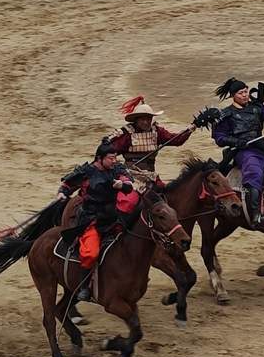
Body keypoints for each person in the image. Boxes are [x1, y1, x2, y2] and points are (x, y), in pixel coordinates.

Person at [211, 77, 264, 229]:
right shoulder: (226, 114)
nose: (245, 95)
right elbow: (220, 137)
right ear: (233, 96)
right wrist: (236, 141)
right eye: (241, 93)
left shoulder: (257, 108)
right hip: (243, 151)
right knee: (254, 172)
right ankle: (256, 214)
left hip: (261, 147)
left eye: (246, 91)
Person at [57, 142, 138, 301]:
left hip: (112, 218)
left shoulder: (117, 169)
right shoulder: (86, 171)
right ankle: (83, 286)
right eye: (110, 158)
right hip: (90, 220)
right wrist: (62, 193)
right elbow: (68, 184)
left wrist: (122, 185)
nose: (114, 161)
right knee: (91, 253)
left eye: (115, 157)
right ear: (99, 158)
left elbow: (128, 184)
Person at [101, 96, 197, 172]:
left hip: (151, 175)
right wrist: (117, 168)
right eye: (143, 119)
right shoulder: (126, 134)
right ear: (136, 120)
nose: (146, 122)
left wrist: (190, 129)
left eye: (149, 119)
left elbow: (176, 140)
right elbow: (107, 152)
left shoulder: (157, 131)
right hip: (130, 175)